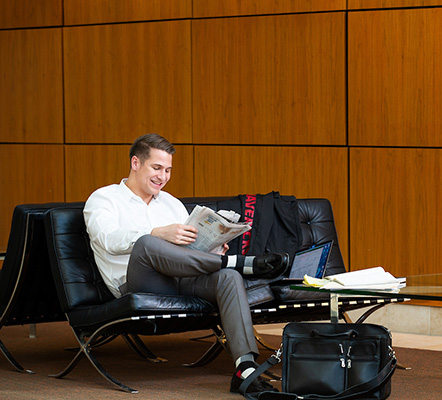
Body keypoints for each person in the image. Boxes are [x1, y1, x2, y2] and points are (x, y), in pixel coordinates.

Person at [83, 133, 289, 394]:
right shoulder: (104, 199)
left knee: (228, 278)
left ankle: (245, 367)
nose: (163, 176)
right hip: (137, 283)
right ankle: (237, 263)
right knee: (147, 243)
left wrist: (212, 246)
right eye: (156, 168)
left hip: (179, 277)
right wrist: (157, 231)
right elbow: (109, 240)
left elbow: (187, 252)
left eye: (168, 170)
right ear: (136, 163)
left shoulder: (171, 203)